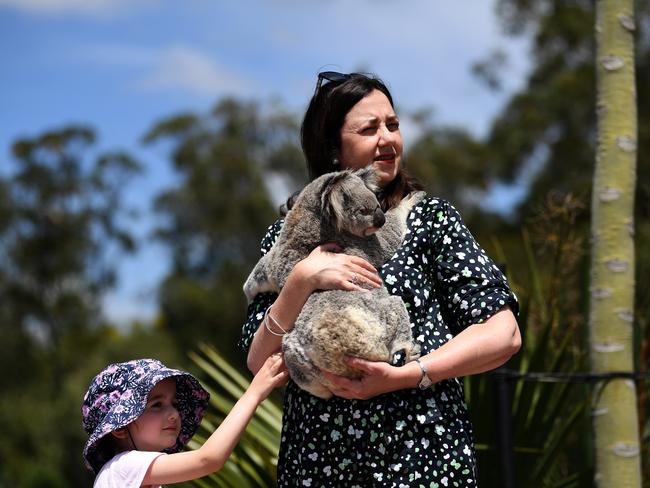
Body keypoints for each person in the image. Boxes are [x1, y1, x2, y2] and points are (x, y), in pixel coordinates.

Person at [239, 71, 521, 487]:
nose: (387, 139)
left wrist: (407, 375)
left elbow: (504, 335)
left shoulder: (429, 219)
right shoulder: (285, 237)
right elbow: (259, 361)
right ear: (333, 149)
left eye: (393, 124)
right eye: (369, 129)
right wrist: (300, 280)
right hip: (318, 466)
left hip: (424, 460)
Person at [81, 355, 287, 487]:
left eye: (174, 403)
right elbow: (208, 460)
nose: (173, 414)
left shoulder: (137, 475)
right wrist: (254, 393)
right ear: (120, 428)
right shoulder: (123, 467)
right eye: (157, 405)